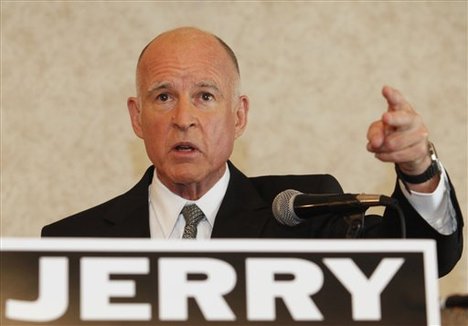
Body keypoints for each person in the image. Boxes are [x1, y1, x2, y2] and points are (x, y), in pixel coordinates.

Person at [41, 27, 463, 277]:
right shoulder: (71, 244)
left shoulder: (303, 215)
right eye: (164, 96)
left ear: (238, 116)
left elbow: (419, 264)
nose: (184, 117)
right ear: (137, 118)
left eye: (205, 96)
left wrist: (416, 169)